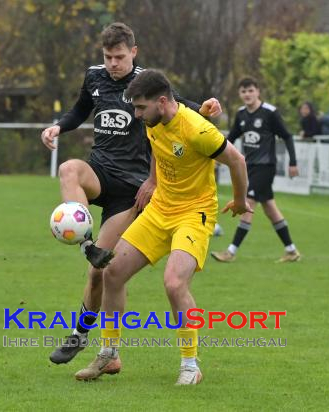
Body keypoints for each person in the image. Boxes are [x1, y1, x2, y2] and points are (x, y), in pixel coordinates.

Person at [40, 23, 221, 367]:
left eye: (119, 57)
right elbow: (80, 110)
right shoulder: (94, 77)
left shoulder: (145, 84)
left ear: (133, 52)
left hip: (131, 191)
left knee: (99, 275)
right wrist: (58, 127)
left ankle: (84, 336)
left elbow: (176, 105)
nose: (112, 64)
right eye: (107, 57)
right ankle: (84, 240)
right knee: (68, 169)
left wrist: (205, 108)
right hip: (100, 172)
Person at [74, 69, 250, 385]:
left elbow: (237, 161)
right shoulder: (153, 122)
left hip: (194, 214)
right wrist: (154, 180)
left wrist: (239, 200)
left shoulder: (197, 130)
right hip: (159, 210)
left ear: (163, 101)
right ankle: (110, 353)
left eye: (141, 108)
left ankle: (190, 364)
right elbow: (158, 147)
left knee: (173, 283)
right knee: (111, 273)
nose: (136, 114)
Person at [211, 77, 301, 263]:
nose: (247, 94)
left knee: (247, 203)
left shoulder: (270, 113)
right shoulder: (241, 114)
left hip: (266, 167)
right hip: (249, 167)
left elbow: (287, 136)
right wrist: (215, 155)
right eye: (243, 91)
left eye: (251, 90)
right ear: (240, 94)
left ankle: (231, 251)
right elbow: (231, 138)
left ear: (258, 91)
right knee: (270, 209)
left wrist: (293, 162)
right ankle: (291, 250)